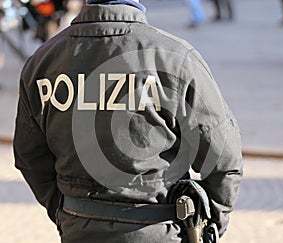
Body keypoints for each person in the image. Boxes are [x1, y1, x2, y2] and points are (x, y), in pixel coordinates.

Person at [14, 0, 243, 242]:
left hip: (79, 227)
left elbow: (29, 157)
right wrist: (208, 226)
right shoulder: (174, 57)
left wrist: (68, 212)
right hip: (160, 229)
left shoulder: (43, 61)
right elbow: (223, 158)